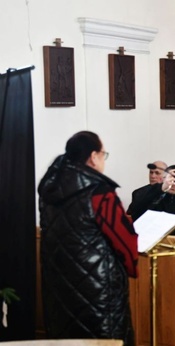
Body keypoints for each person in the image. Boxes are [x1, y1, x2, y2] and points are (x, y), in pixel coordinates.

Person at [38, 131, 138, 344]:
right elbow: (124, 240)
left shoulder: (50, 191)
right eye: (103, 154)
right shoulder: (100, 192)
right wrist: (132, 266)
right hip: (99, 291)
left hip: (58, 287)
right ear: (94, 156)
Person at [128, 164, 175, 236]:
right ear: (163, 180)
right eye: (171, 179)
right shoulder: (154, 196)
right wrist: (162, 188)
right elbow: (136, 210)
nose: (174, 184)